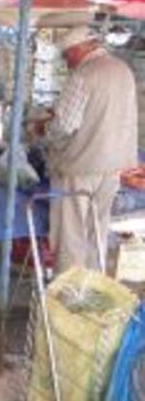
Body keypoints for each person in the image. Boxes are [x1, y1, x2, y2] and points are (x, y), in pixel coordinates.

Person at [32, 26, 138, 274]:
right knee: (96, 231)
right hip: (113, 166)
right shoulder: (122, 69)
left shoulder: (84, 74)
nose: (66, 62)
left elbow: (64, 127)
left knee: (72, 235)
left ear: (78, 49)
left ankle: (69, 297)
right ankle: (91, 286)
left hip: (82, 167)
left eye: (67, 56)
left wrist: (41, 130)